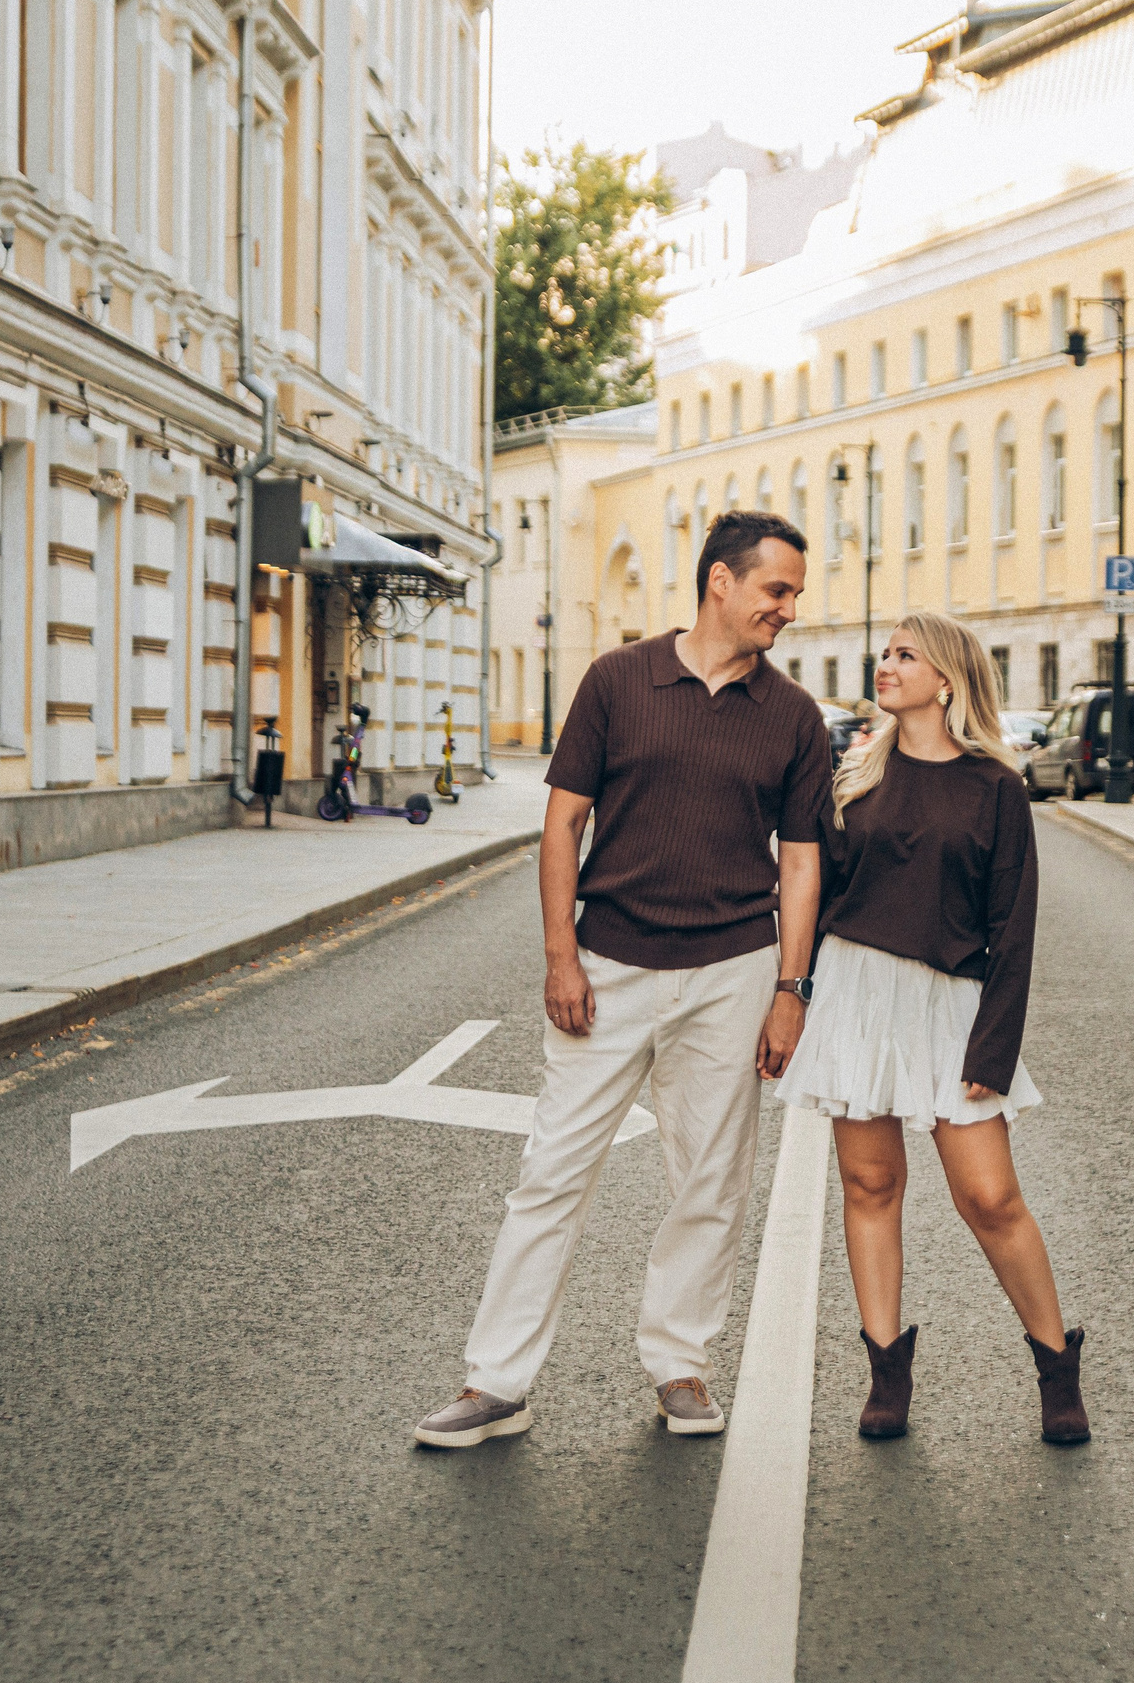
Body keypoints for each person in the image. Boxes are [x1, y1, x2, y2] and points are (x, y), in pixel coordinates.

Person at [415, 512, 829, 1449]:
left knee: (711, 1181)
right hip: (609, 967)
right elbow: (561, 825)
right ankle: (496, 1383)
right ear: (720, 582)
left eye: (796, 593)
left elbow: (800, 863)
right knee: (551, 1174)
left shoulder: (793, 716)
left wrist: (790, 990)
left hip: (731, 970)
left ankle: (679, 1364)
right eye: (778, 590)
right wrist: (561, 955)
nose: (789, 610)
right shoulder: (617, 681)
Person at [774, 611, 1087, 1445]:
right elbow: (812, 883)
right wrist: (794, 992)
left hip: (953, 1005)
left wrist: (994, 1045)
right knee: (871, 1188)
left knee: (990, 1195)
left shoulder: (996, 788)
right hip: (858, 996)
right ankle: (886, 1371)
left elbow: (1013, 929)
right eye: (886, 654)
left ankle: (1057, 1365)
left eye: (905, 656)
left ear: (946, 679)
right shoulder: (855, 776)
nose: (887, 665)